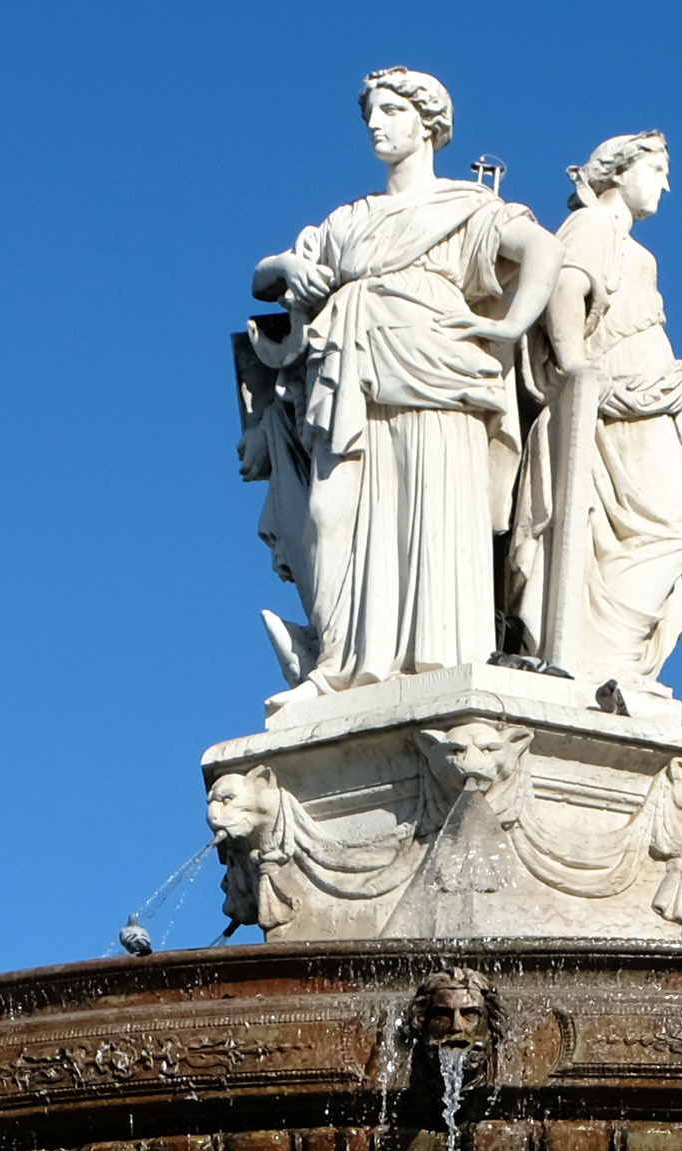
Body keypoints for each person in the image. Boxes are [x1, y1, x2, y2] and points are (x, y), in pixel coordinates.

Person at [244, 68, 555, 688]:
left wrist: (510, 325)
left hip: (436, 377)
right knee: (332, 514)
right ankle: (345, 660)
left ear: (428, 123)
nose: (376, 125)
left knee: (432, 509)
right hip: (350, 374)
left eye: (390, 111)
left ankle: (441, 656)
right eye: (370, 116)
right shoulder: (347, 220)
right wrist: (287, 267)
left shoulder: (469, 207)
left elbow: (543, 249)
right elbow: (262, 279)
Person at [520, 132, 682, 694]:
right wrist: (575, 367)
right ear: (618, 172)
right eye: (656, 169)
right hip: (617, 401)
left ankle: (610, 657)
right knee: (673, 531)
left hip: (648, 401)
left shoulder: (637, 251)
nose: (666, 183)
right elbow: (565, 286)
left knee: (660, 532)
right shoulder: (592, 225)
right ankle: (605, 655)